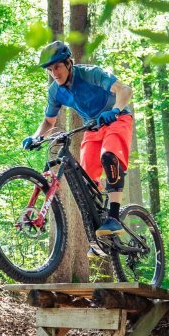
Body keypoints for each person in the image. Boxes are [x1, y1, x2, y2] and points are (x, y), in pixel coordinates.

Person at [22, 40, 134, 236]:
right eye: (49, 69)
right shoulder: (55, 91)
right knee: (87, 181)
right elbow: (49, 121)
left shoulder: (91, 73)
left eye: (57, 66)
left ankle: (114, 218)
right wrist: (35, 137)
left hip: (117, 119)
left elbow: (125, 90)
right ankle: (100, 226)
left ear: (69, 62)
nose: (54, 73)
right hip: (93, 127)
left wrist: (115, 110)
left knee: (109, 156)